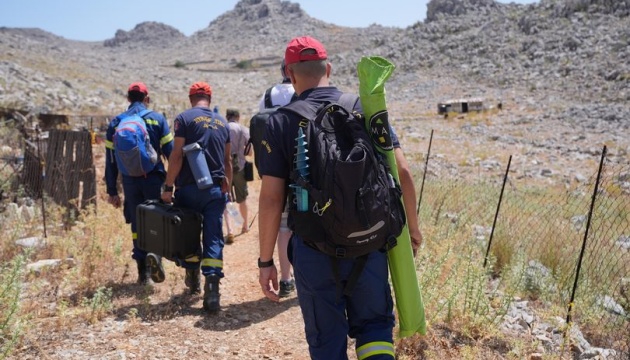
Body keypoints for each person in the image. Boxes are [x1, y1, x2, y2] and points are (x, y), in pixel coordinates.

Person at [257, 36, 423, 359]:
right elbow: (402, 171)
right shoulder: (365, 107)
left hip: (314, 251)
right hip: (370, 243)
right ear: (328, 68)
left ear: (290, 75)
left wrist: (266, 262)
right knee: (375, 331)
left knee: (327, 344)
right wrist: (412, 230)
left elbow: (271, 201)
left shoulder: (280, 122)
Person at [161, 81, 232, 313]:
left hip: (189, 189)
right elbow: (227, 160)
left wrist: (168, 186)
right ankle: (212, 292)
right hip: (215, 190)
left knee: (189, 236)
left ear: (191, 98)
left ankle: (192, 280)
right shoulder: (222, 122)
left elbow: (176, 155)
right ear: (209, 98)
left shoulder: (184, 118)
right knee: (213, 237)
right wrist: (227, 185)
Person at [105, 82, 173, 286]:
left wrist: (112, 191)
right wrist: (175, 181)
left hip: (129, 181)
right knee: (156, 218)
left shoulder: (117, 122)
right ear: (147, 99)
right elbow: (170, 151)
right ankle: (156, 256)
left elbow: (110, 160)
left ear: (128, 99)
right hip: (153, 178)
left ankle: (142, 272)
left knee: (136, 222)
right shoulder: (157, 119)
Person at [256, 61, 297, 297]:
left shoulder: (268, 95)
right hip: (302, 168)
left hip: (276, 170)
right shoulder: (301, 92)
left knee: (283, 228)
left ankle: (285, 279)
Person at [223, 108, 250, 243]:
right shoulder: (243, 129)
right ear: (238, 116)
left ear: (227, 116)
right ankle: (244, 226)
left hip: (225, 169)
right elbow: (249, 152)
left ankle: (230, 230)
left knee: (227, 200)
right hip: (240, 167)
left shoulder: (222, 127)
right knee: (242, 199)